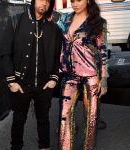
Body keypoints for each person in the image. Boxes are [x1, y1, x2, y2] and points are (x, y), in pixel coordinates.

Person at [1, 0, 61, 149]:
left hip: (44, 84)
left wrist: (54, 78)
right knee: (19, 120)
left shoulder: (53, 27)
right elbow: (5, 53)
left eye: (48, 1)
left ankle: (44, 147)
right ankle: (16, 146)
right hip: (20, 84)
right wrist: (11, 81)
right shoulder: (16, 21)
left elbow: (58, 56)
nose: (44, 4)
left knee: (43, 120)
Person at [57, 0, 108, 149]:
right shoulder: (65, 19)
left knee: (91, 119)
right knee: (64, 115)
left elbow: (103, 51)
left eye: (78, 0)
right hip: (69, 76)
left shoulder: (97, 22)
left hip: (90, 77)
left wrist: (103, 79)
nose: (74, 4)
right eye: (72, 1)